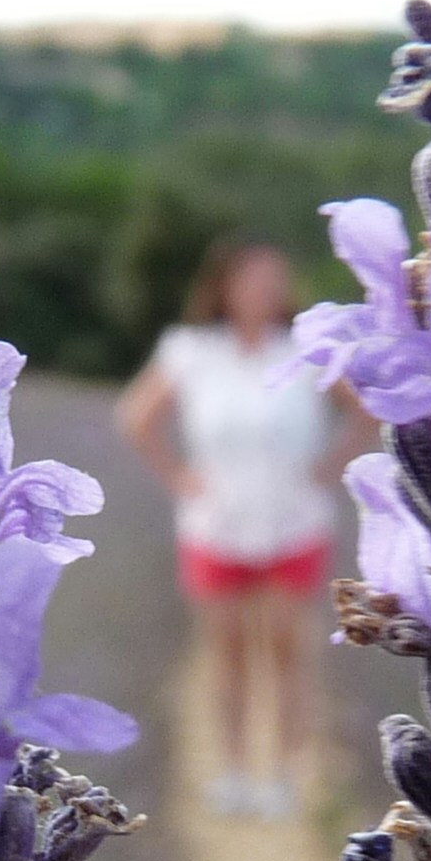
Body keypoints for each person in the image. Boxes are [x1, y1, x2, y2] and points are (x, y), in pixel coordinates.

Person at [114, 236, 362, 816]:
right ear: (225, 287)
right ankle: (232, 769)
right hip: (216, 524)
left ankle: (280, 774)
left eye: (274, 282)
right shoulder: (191, 350)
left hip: (294, 521)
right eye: (253, 281)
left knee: (285, 650)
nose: (264, 293)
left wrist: (330, 467)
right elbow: (135, 417)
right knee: (226, 653)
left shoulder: (307, 348)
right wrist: (179, 477)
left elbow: (368, 407)